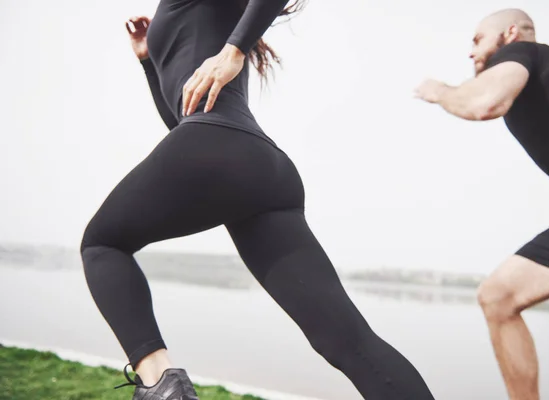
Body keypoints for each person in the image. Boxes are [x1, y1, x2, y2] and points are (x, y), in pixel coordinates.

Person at [80, 1, 436, 399]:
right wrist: (148, 60)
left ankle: (160, 383)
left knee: (101, 244)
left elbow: (194, 123)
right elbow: (182, 115)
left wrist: (233, 51)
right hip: (264, 169)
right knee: (348, 342)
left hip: (218, 143)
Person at [414, 8, 549, 400]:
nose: (471, 52)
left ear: (510, 34)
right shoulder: (541, 79)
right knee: (498, 296)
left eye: (478, 39)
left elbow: (484, 103)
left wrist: (440, 91)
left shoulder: (528, 55)